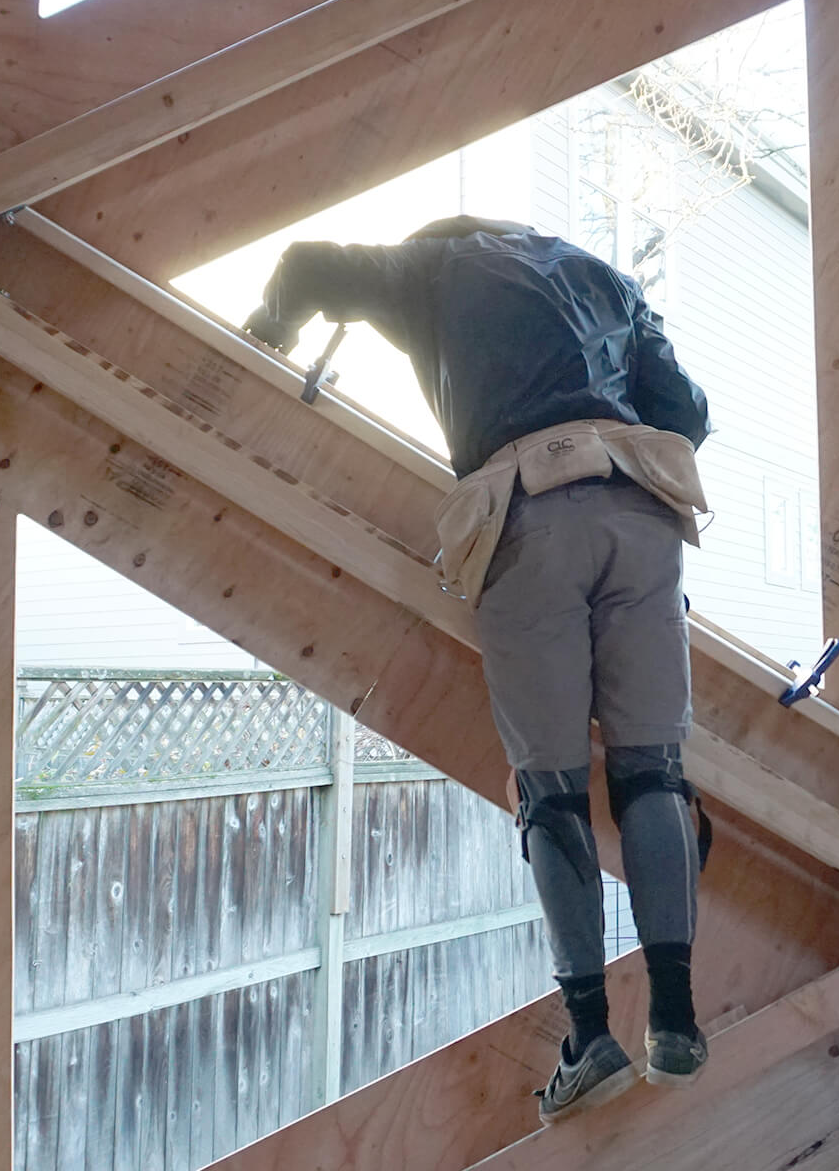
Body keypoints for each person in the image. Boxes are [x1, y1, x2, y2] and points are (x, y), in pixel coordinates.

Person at [246, 214, 713, 1123]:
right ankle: (677, 1021)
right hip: (643, 519)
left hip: (528, 515)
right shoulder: (605, 278)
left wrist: (271, 331)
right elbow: (687, 412)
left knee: (553, 789)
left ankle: (591, 1037)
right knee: (653, 769)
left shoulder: (431, 263)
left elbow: (304, 264)